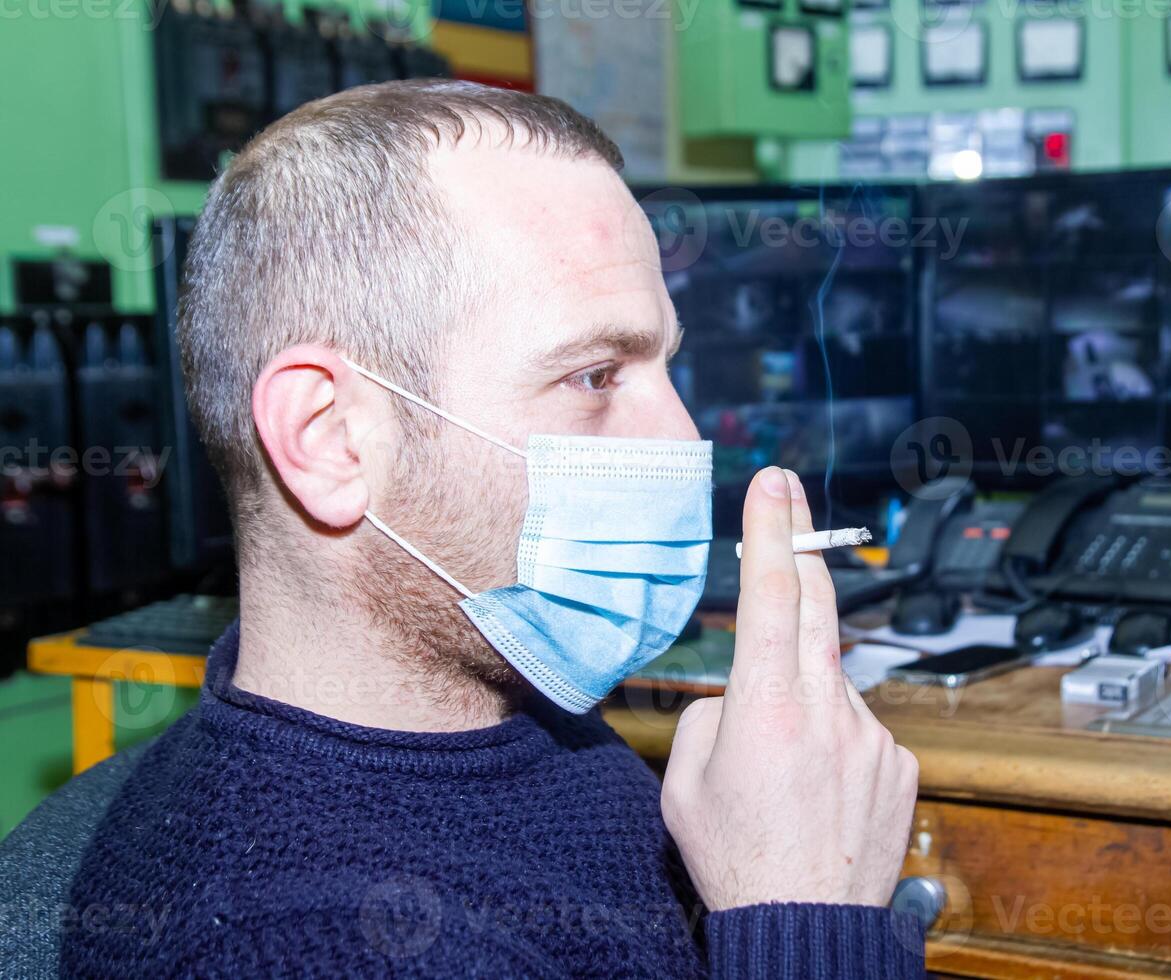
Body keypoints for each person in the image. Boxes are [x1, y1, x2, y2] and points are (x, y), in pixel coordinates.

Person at [59, 79, 922, 976]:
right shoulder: (304, 945)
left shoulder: (509, 718)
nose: (685, 439)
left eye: (664, 361)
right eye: (594, 376)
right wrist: (808, 912)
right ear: (329, 439)